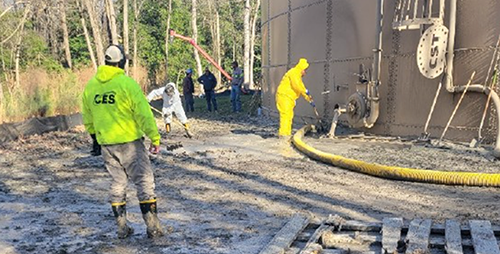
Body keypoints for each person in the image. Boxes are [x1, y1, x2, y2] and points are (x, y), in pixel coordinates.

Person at [82, 44, 164, 239]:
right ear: (122, 62)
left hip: (107, 145)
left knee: (117, 184)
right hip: (130, 144)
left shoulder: (91, 87)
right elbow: (143, 114)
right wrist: (155, 137)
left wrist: (95, 137)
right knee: (144, 182)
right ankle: (152, 227)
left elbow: (87, 116)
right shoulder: (127, 84)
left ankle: (122, 227)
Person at [276, 58, 314, 138]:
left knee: (289, 115)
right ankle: (283, 134)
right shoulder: (294, 73)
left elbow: (301, 87)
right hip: (284, 96)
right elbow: (297, 86)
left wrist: (309, 98)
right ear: (302, 69)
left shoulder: (297, 75)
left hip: (288, 97)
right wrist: (305, 91)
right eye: (305, 70)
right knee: (285, 115)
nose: (305, 73)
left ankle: (287, 133)